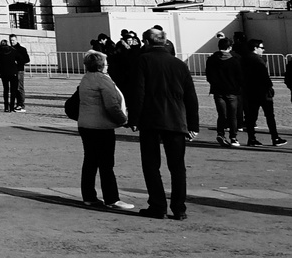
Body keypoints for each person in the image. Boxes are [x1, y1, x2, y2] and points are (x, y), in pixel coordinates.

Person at [124, 26, 199, 220]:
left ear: (147, 42)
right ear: (165, 42)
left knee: (151, 165)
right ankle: (179, 207)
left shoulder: (143, 60)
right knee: (177, 167)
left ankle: (158, 205)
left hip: (151, 119)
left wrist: (134, 119)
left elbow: (138, 92)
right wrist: (193, 125)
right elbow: (191, 97)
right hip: (176, 119)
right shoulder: (179, 64)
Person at [74, 50, 135, 210]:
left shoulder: (86, 78)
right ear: (102, 65)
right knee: (106, 164)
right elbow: (112, 105)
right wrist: (124, 120)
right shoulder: (103, 80)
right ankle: (112, 198)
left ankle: (89, 196)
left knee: (90, 162)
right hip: (101, 126)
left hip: (86, 125)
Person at [235, 36, 284, 146]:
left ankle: (251, 138)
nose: (263, 50)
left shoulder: (243, 59)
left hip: (249, 91)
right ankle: (275, 137)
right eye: (261, 47)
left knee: (251, 117)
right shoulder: (258, 60)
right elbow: (264, 76)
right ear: (255, 48)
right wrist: (269, 88)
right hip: (262, 92)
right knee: (270, 116)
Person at [203, 35, 242, 146]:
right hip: (232, 91)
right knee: (232, 115)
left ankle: (221, 133)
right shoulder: (234, 60)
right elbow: (239, 76)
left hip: (217, 90)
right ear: (229, 47)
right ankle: (233, 137)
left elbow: (209, 76)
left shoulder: (212, 59)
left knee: (221, 114)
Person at [0, 35, 30, 112]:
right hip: (12, 71)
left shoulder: (21, 49)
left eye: (13, 40)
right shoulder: (9, 49)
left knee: (19, 88)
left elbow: (26, 59)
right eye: (10, 40)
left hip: (19, 70)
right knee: (12, 89)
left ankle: (21, 104)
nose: (12, 42)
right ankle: (14, 105)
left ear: (16, 40)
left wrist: (18, 62)